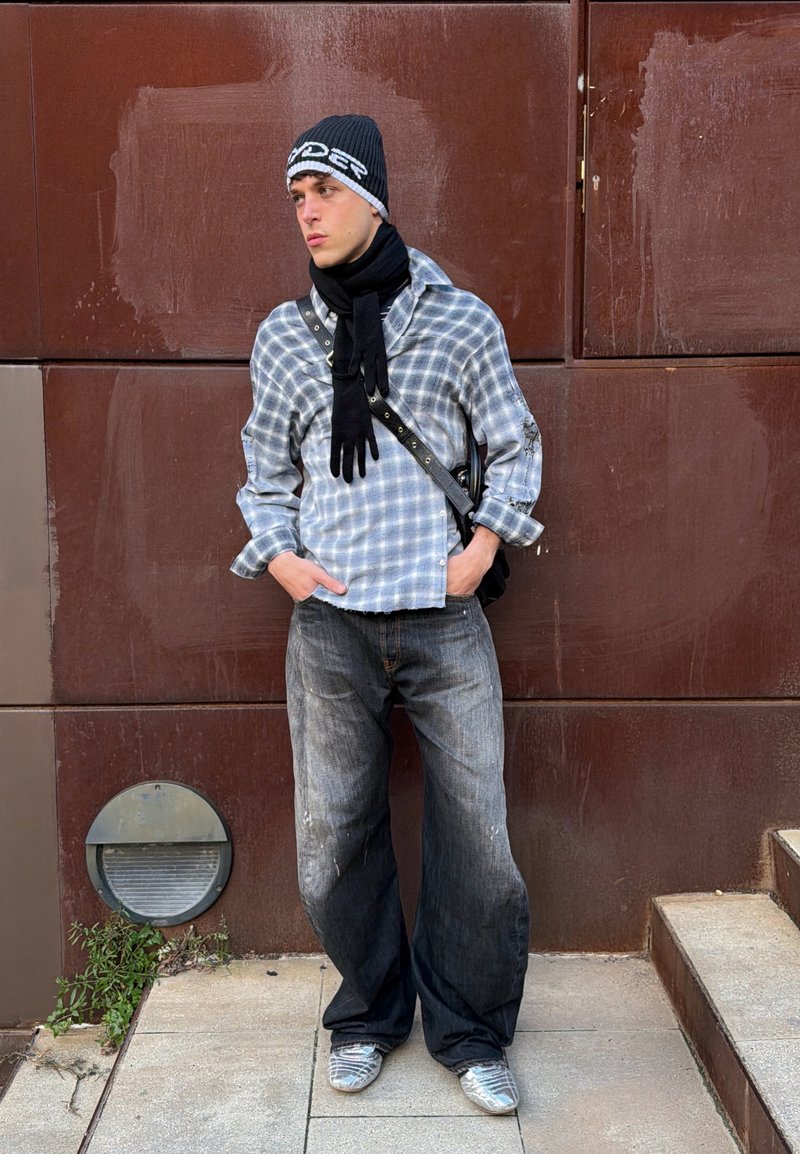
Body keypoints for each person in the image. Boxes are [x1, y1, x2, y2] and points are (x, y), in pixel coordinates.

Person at [232, 114, 543, 1114]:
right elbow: (263, 470)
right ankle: (368, 1011)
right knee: (331, 834)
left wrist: (482, 549)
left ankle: (470, 1029)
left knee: (478, 838)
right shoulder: (286, 335)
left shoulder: (457, 321)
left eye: (322, 190)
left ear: (371, 194)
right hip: (330, 624)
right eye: (295, 198)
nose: (307, 212)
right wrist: (281, 558)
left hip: (441, 620)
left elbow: (514, 443)